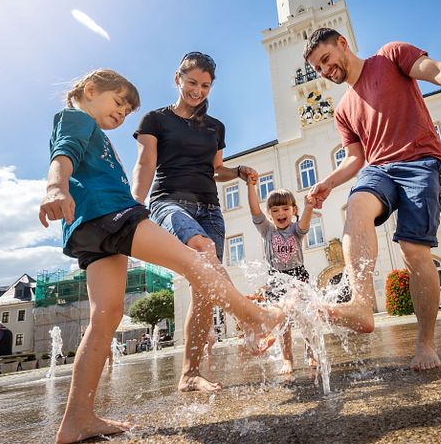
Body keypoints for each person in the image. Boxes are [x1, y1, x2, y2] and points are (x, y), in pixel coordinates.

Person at [39, 69, 282, 444]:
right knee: (194, 260)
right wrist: (55, 187)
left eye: (127, 109)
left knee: (106, 316)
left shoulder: (95, 131)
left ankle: (77, 418)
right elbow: (62, 157)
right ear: (90, 91)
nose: (122, 114)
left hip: (90, 231)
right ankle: (253, 318)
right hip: (112, 216)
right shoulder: (75, 119)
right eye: (118, 103)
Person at [304, 28, 441, 371]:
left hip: (421, 162)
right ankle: (360, 305)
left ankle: (425, 343)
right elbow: (355, 158)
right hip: (378, 170)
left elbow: (437, 71)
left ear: (343, 44)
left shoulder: (390, 56)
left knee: (414, 252)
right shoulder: (343, 109)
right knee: (357, 204)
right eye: (318, 68)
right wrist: (327, 183)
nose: (325, 70)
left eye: (326, 60)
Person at [132, 52, 257, 393]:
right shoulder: (155, 120)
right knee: (202, 248)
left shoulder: (216, 127)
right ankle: (250, 318)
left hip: (210, 209)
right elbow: (145, 164)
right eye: (191, 83)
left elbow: (217, 169)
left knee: (203, 292)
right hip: (168, 202)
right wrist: (134, 204)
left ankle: (189, 374)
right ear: (178, 79)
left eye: (205, 85)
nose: (198, 91)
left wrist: (239, 171)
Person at [246, 176, 318, 374]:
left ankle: (311, 353)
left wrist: (309, 207)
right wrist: (251, 186)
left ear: (293, 210)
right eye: (275, 210)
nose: (280, 213)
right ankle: (287, 359)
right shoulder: (267, 230)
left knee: (305, 319)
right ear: (269, 214)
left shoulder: (296, 230)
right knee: (282, 324)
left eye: (285, 209)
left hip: (297, 276)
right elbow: (254, 211)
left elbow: (304, 223)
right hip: (276, 279)